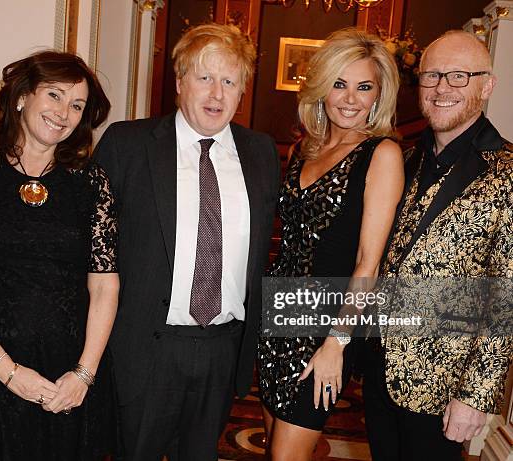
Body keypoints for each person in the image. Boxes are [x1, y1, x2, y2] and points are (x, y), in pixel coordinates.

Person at [93, 23, 280, 461]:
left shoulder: (262, 153)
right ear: (179, 83)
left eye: (230, 81)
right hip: (145, 348)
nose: (217, 93)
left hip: (223, 349)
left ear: (242, 92)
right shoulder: (128, 144)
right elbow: (88, 246)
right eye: (204, 77)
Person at [0, 51, 118, 460]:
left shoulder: (92, 185)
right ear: (21, 98)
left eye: (76, 105)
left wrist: (84, 375)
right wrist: (9, 372)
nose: (63, 113)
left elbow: (105, 286)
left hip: (69, 376)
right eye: (53, 95)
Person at [363, 30, 513, 461]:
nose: (443, 87)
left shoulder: (506, 172)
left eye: (460, 75)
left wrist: (478, 395)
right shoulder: (404, 158)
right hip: (378, 368)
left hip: (443, 389)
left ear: (487, 85)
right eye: (432, 76)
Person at [258, 28, 403, 460]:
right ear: (322, 88)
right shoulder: (304, 149)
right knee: (274, 450)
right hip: (278, 313)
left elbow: (367, 265)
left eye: (364, 87)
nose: (350, 98)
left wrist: (336, 344)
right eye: (340, 84)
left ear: (379, 94)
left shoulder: (383, 154)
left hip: (325, 325)